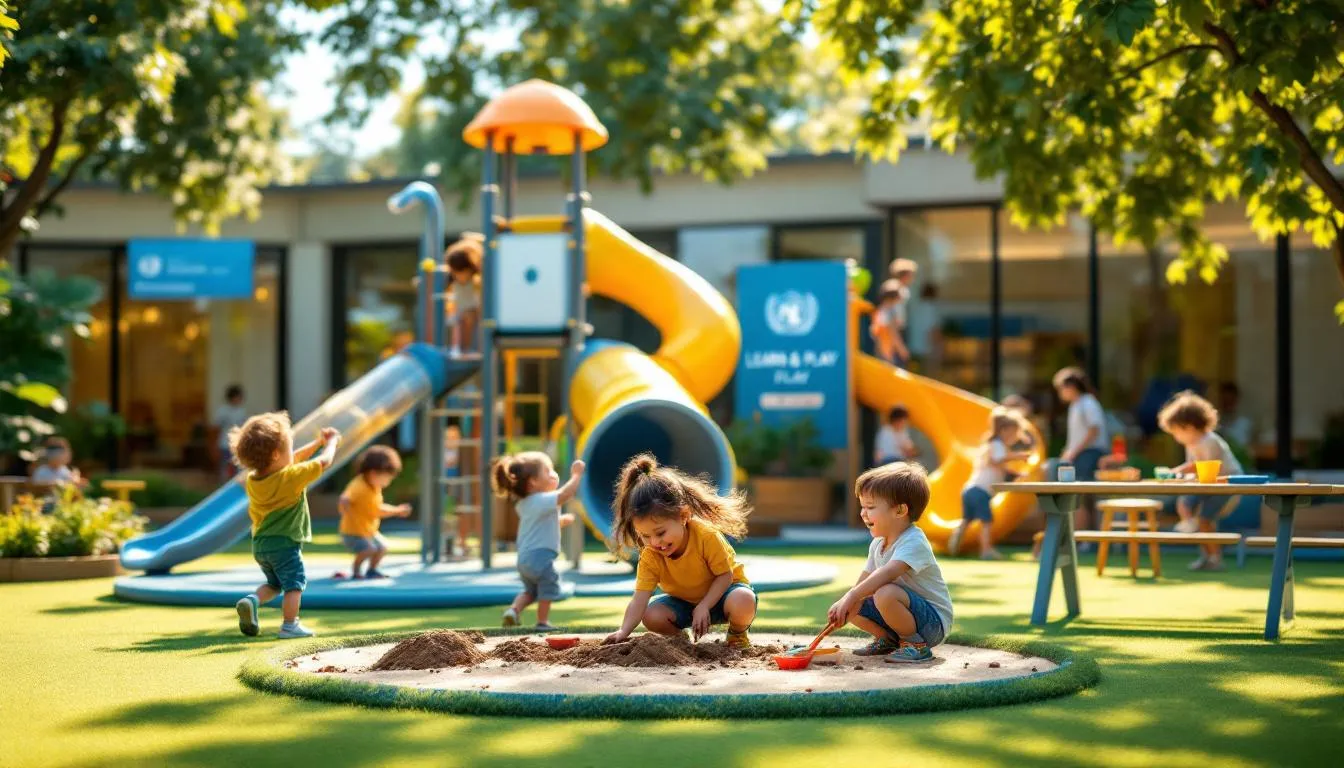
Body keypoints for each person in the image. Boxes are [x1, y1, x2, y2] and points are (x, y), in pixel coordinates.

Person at [603, 454, 757, 649]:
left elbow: (724, 576)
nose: (655, 542)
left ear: (683, 516)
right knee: (651, 615)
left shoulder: (705, 536)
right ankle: (682, 643)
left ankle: (737, 636)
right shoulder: (651, 556)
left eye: (660, 533)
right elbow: (639, 599)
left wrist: (704, 606)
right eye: (645, 536)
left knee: (744, 600)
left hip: (724, 595)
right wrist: (623, 631)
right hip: (685, 605)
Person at [826, 462, 952, 663]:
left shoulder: (914, 541)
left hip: (932, 624)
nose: (863, 513)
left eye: (870, 507)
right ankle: (889, 640)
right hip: (905, 614)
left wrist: (852, 595)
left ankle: (916, 646)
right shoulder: (878, 544)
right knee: (852, 603)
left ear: (900, 510)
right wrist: (847, 601)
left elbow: (888, 573)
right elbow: (863, 582)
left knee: (884, 592)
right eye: (862, 506)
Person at [229, 413, 340, 639]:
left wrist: (317, 442)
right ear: (276, 454)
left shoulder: (253, 479)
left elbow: (293, 458)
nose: (293, 451)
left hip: (260, 545)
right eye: (290, 446)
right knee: (294, 584)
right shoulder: (291, 478)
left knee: (274, 584)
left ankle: (252, 600)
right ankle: (290, 625)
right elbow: (324, 462)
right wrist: (331, 443)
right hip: (285, 544)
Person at [491, 451, 584, 631]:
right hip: (540, 557)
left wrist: (560, 521)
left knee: (530, 592)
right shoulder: (541, 499)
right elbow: (565, 494)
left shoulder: (525, 504)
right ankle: (542, 621)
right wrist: (577, 475)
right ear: (533, 482)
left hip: (524, 559)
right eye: (548, 471)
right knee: (548, 584)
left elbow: (540, 524)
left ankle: (513, 610)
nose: (553, 474)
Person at [1159, 391, 1243, 571]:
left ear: (1189, 427)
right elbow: (1194, 468)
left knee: (1205, 519)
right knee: (1187, 504)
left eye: (1176, 432)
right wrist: (1181, 476)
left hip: (1227, 484)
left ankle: (1215, 558)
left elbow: (1205, 467)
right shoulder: (1192, 443)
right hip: (1210, 485)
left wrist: (1178, 471)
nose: (1176, 437)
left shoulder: (1208, 441)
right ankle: (1202, 547)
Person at [947, 408, 1033, 560]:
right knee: (987, 521)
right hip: (981, 491)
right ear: (1004, 430)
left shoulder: (992, 445)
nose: (1014, 439)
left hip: (970, 489)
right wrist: (1018, 456)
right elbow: (997, 460)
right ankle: (986, 550)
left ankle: (955, 541)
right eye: (1013, 434)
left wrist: (1016, 475)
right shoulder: (997, 445)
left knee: (967, 519)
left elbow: (999, 468)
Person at [337, 445, 412, 580]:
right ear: (373, 473)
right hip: (353, 532)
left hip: (368, 531)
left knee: (382, 546)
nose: (388, 482)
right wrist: (346, 507)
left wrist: (397, 510)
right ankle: (356, 571)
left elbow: (378, 509)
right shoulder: (358, 486)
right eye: (387, 478)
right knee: (369, 550)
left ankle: (372, 570)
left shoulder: (374, 488)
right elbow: (345, 498)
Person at [1052, 367, 1109, 535]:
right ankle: (1076, 535)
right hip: (1079, 454)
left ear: (1070, 386)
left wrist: (1074, 452)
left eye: (1061, 388)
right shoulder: (1076, 405)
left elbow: (1094, 430)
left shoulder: (1088, 403)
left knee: (1080, 496)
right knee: (1075, 496)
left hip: (1089, 454)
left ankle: (1081, 536)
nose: (1060, 393)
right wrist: (1068, 452)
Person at [445, 233, 484, 355]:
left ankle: (474, 350)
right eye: (456, 273)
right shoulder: (453, 281)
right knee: (461, 322)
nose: (460, 277)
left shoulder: (477, 280)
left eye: (462, 273)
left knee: (471, 320)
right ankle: (463, 350)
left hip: (475, 312)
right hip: (463, 311)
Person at [213, 385, 248, 481]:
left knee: (238, 467)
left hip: (237, 443)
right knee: (225, 467)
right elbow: (217, 428)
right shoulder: (223, 411)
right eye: (238, 397)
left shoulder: (241, 411)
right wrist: (215, 445)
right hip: (225, 443)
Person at [869, 279, 908, 366]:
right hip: (889, 353)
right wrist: (902, 350)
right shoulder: (890, 312)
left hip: (880, 350)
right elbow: (893, 333)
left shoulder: (878, 311)